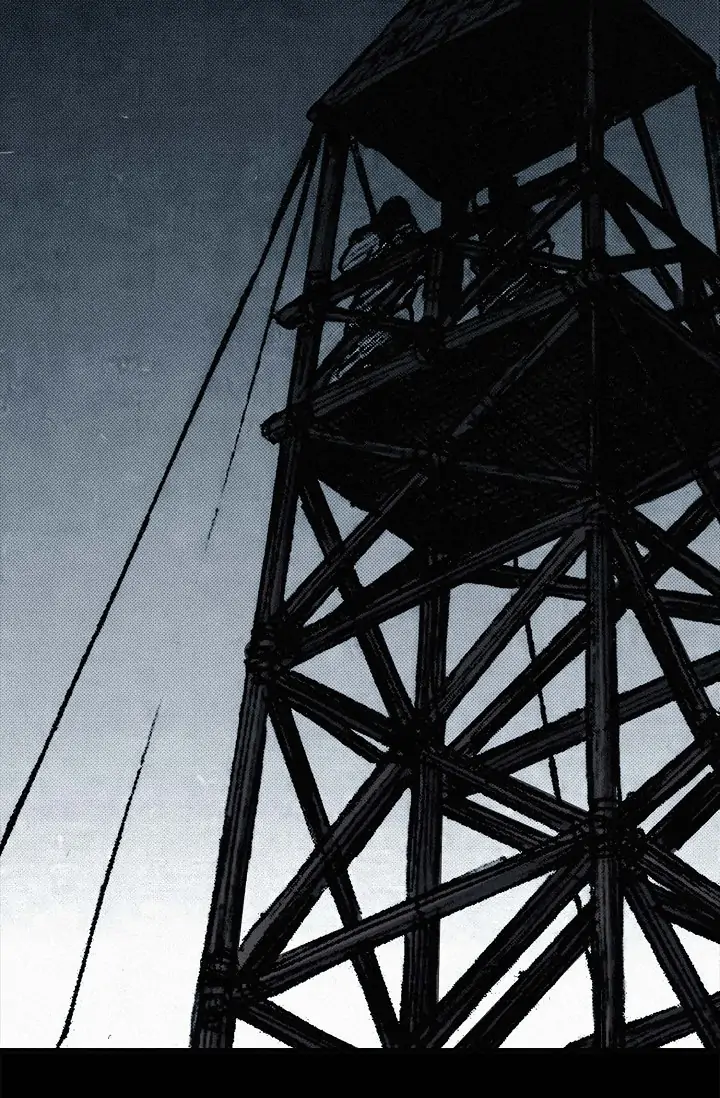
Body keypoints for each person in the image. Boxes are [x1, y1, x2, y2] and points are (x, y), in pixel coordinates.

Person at [318, 196, 423, 386]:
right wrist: (376, 238)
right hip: (369, 313)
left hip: (394, 316)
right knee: (353, 366)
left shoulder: (412, 244)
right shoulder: (379, 239)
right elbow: (347, 264)